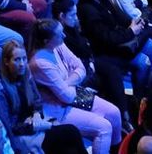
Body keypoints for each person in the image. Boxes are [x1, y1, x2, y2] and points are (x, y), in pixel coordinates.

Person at [29, 18, 122, 153]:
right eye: (59, 34)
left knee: (114, 113)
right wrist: (73, 79)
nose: (64, 35)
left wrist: (66, 82)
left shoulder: (58, 45)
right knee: (104, 127)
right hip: (57, 108)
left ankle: (116, 151)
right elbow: (67, 97)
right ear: (46, 41)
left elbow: (80, 67)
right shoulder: (40, 63)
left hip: (73, 94)